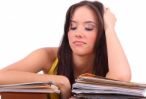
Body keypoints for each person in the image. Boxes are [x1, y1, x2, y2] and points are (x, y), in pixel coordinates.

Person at [0, 0, 131, 99]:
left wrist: (110, 27)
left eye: (89, 28)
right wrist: (59, 81)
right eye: (73, 27)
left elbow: (121, 78)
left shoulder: (112, 63)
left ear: (102, 34)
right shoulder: (48, 55)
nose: (78, 33)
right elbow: (2, 76)